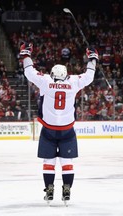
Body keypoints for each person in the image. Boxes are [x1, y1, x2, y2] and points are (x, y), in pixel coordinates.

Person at [20, 42, 98, 203]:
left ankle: (49, 189)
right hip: (67, 130)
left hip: (48, 130)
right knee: (67, 161)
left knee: (48, 161)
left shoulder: (46, 81)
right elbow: (89, 76)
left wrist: (26, 54)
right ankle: (67, 188)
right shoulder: (73, 81)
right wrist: (93, 58)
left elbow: (29, 72)